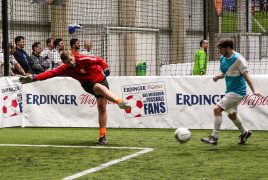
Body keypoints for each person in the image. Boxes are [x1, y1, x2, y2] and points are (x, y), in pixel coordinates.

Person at [19, 51, 131, 145]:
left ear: (73, 56)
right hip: (88, 84)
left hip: (101, 79)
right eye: (68, 62)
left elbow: (100, 60)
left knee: (102, 107)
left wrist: (105, 68)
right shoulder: (64, 68)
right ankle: (120, 102)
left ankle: (102, 137)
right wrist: (34, 78)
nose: (72, 62)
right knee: (99, 89)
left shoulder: (83, 59)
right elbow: (49, 74)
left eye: (71, 59)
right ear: (65, 63)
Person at [201, 38, 264, 146]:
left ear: (228, 48)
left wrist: (254, 90)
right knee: (231, 114)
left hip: (238, 91)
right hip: (230, 90)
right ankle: (244, 132)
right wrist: (218, 76)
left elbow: (246, 76)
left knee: (217, 109)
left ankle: (214, 137)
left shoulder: (239, 59)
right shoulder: (223, 58)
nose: (219, 52)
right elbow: (223, 72)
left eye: (221, 49)